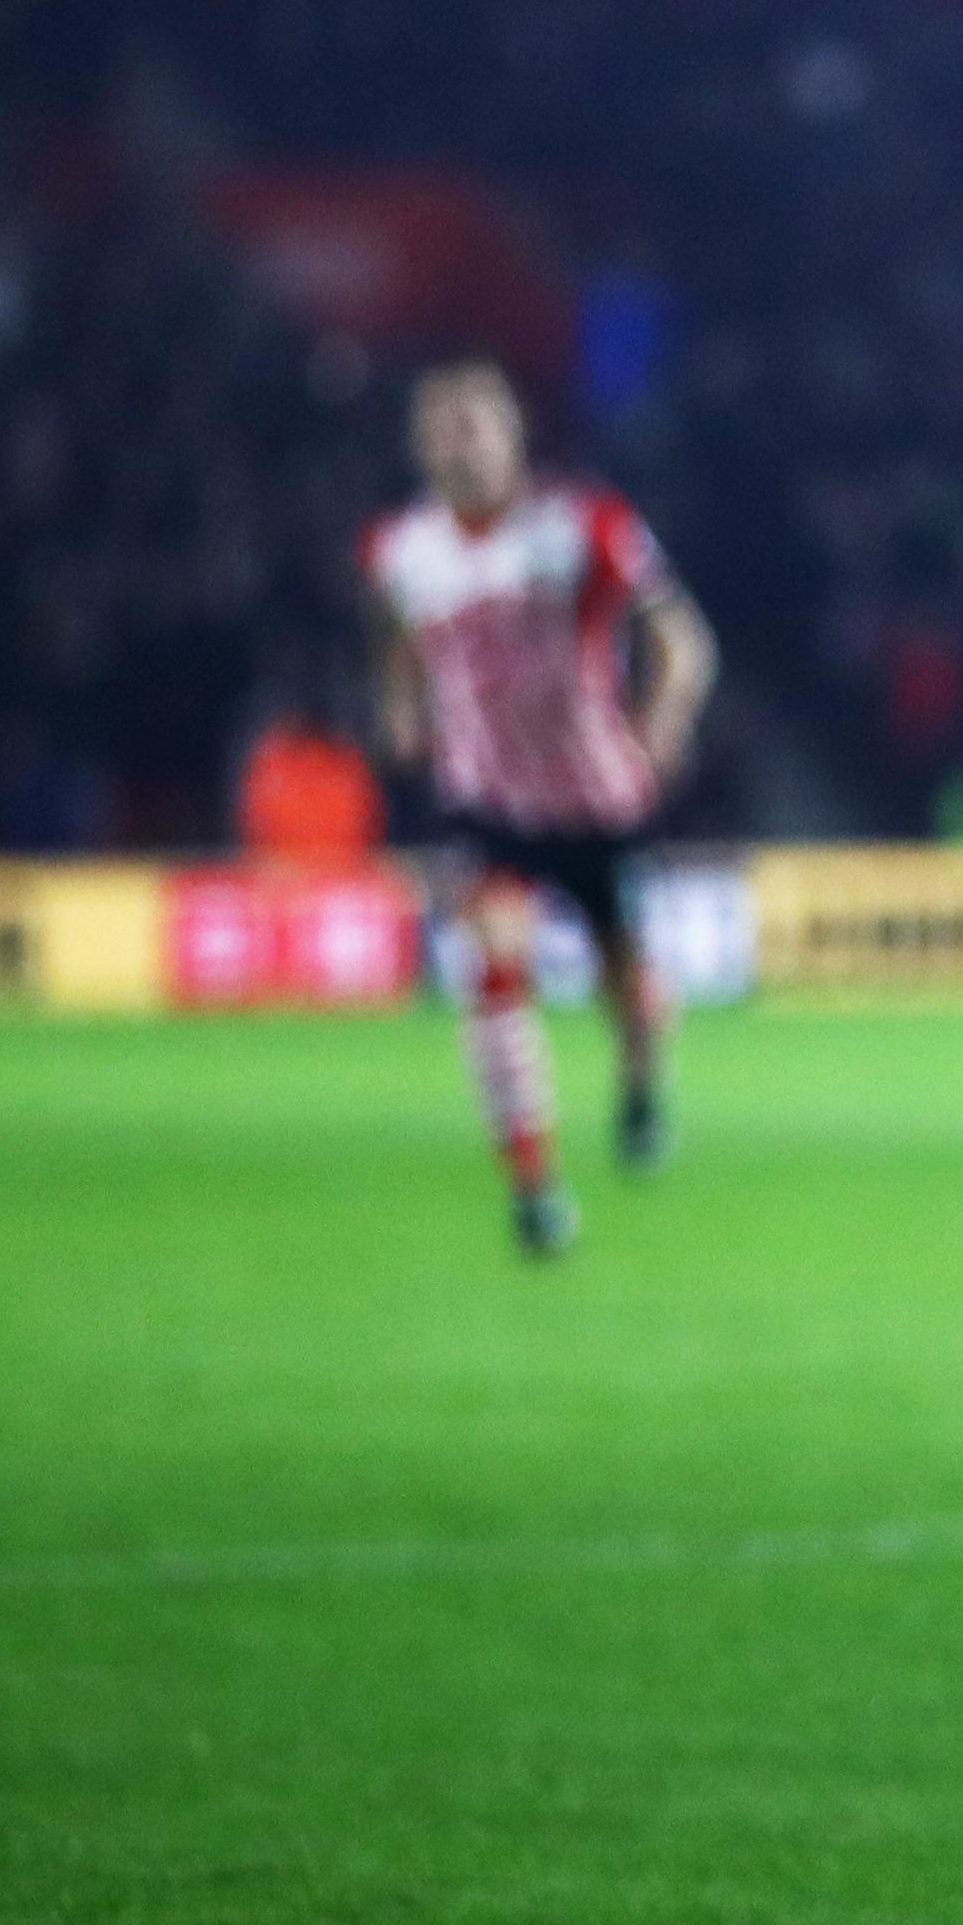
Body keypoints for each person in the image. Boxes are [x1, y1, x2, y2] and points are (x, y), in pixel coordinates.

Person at [366, 359, 714, 1254]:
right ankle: (534, 1186)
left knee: (628, 989)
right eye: (443, 429)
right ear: (420, 447)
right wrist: (403, 710)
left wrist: (662, 724)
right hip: (486, 804)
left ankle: (640, 1078)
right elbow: (403, 646)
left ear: (514, 436)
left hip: (597, 800)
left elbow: (679, 636)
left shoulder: (582, 529)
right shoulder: (403, 550)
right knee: (492, 972)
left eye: (476, 425)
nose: (461, 444)